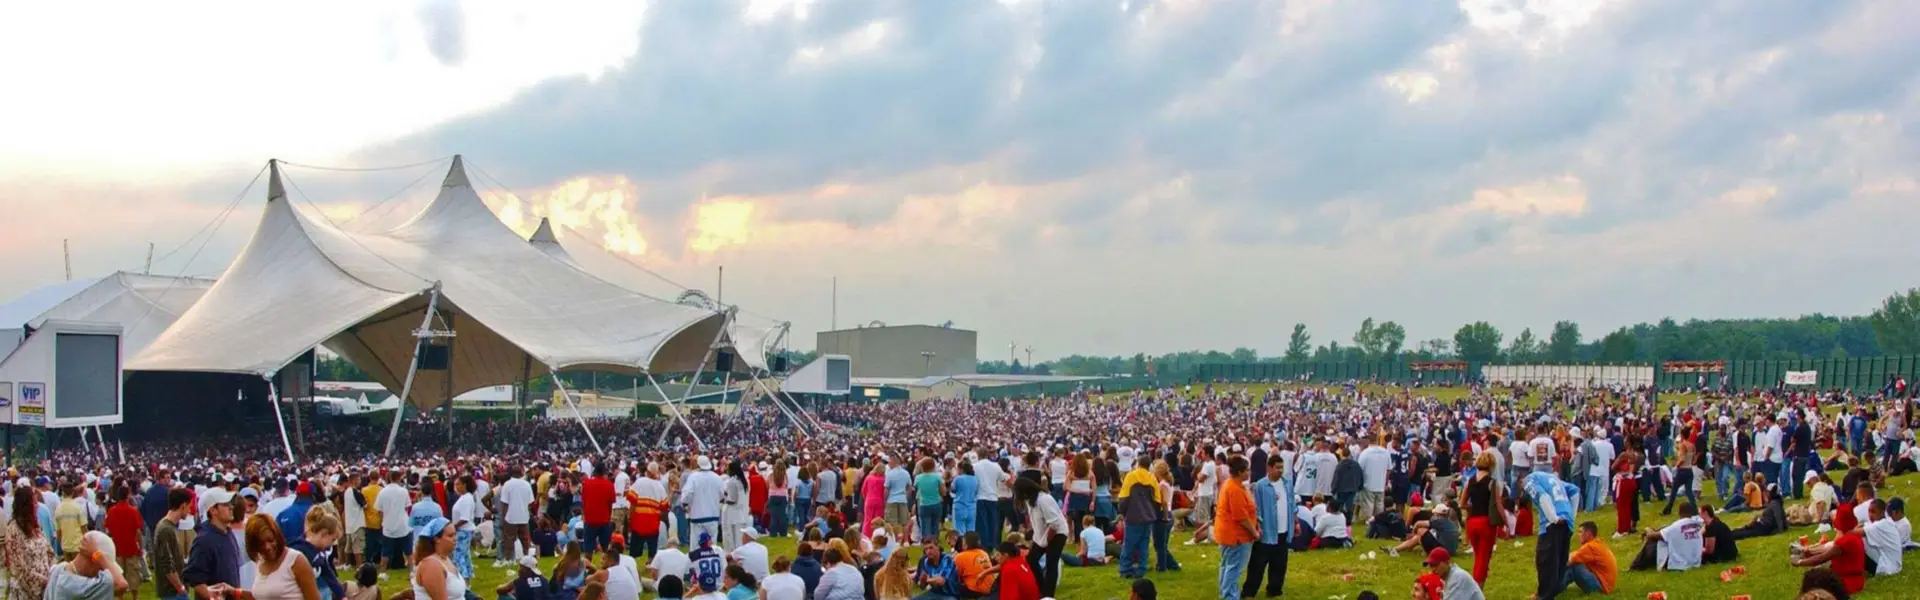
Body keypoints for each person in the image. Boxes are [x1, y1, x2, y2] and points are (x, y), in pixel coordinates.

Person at [1522, 468, 1576, 600]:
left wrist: (1553, 518)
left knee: (1545, 561)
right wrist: (1571, 516)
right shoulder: (1554, 479)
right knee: (1559, 562)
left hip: (1552, 524)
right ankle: (1550, 593)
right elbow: (1575, 491)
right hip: (1566, 521)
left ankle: (1544, 596)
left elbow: (1542, 496)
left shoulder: (1529, 480)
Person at [1243, 456, 1291, 598]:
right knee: (1257, 564)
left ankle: (1275, 590)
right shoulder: (1261, 486)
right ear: (1269, 468)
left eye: (1282, 467)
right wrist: (1258, 525)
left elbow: (1291, 503)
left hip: (1283, 530)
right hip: (1266, 531)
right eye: (1277, 468)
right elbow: (1256, 508)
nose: (1280, 471)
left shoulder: (1287, 483)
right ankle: (1249, 592)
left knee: (1279, 564)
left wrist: (1294, 521)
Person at [183, 488, 244, 600]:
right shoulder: (204, 540)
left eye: (230, 504)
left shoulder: (228, 532)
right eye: (225, 504)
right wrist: (210, 596)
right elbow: (193, 577)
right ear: (213, 511)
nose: (231, 507)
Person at [1013, 477, 1069, 598]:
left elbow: (1054, 524)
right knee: (1031, 560)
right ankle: (1041, 588)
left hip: (1057, 533)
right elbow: (1036, 523)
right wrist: (1036, 540)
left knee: (1051, 563)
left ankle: (1048, 595)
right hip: (1042, 535)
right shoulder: (1031, 502)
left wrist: (1047, 541)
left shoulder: (1044, 500)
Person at [243, 514, 321, 600]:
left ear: (277, 536)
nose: (267, 547)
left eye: (270, 540)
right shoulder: (260, 561)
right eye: (261, 544)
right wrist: (236, 592)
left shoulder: (296, 561)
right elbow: (262, 596)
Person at [1212, 456, 1258, 600]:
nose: (1249, 473)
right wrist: (1254, 532)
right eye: (1247, 470)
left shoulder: (1232, 484)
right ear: (1240, 472)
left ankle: (1226, 594)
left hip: (1228, 534)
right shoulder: (1234, 489)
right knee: (1234, 568)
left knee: (1227, 566)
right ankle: (1229, 596)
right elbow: (1241, 517)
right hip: (1236, 536)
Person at [46, 531, 131, 600]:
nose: (101, 572)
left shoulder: (58, 569)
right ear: (94, 559)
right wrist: (98, 554)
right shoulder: (83, 587)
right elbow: (121, 584)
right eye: (102, 568)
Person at [287, 506, 344, 600]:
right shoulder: (300, 551)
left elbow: (328, 574)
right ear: (324, 534)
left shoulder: (318, 552)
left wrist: (342, 595)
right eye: (332, 540)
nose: (332, 544)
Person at [1461, 452, 1501, 584]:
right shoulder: (1492, 483)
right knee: (1483, 559)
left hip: (1472, 522)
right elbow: (1498, 505)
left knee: (1478, 556)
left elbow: (1462, 503)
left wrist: (1471, 507)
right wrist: (1505, 522)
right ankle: (1477, 589)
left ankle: (1475, 585)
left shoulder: (1470, 481)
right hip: (1486, 522)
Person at [1794, 526, 1869, 595]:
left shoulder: (1845, 540)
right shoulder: (1855, 536)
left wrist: (1799, 562)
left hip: (1846, 583)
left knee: (1811, 576)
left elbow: (1822, 558)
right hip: (1857, 582)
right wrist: (1810, 553)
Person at [104, 485, 148, 600]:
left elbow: (108, 529)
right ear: (128, 495)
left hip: (117, 547)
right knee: (133, 573)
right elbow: (138, 531)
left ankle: (120, 597)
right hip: (131, 546)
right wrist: (140, 547)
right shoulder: (132, 511)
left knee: (119, 574)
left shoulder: (111, 511)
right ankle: (135, 597)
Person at [409, 517, 466, 600]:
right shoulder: (431, 565)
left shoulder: (446, 559)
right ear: (437, 539)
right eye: (450, 536)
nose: (455, 539)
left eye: (455, 534)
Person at [152, 488, 192, 600]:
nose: (190, 510)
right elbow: (167, 565)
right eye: (189, 506)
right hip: (172, 592)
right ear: (183, 506)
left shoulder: (170, 526)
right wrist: (181, 589)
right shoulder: (165, 529)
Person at [1563, 522, 1616, 595]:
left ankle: (1553, 588)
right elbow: (1575, 554)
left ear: (1588, 533)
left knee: (1574, 566)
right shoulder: (1596, 543)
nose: (1578, 535)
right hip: (1606, 585)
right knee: (1575, 563)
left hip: (1601, 587)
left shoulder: (1590, 547)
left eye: (1580, 532)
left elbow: (1569, 561)